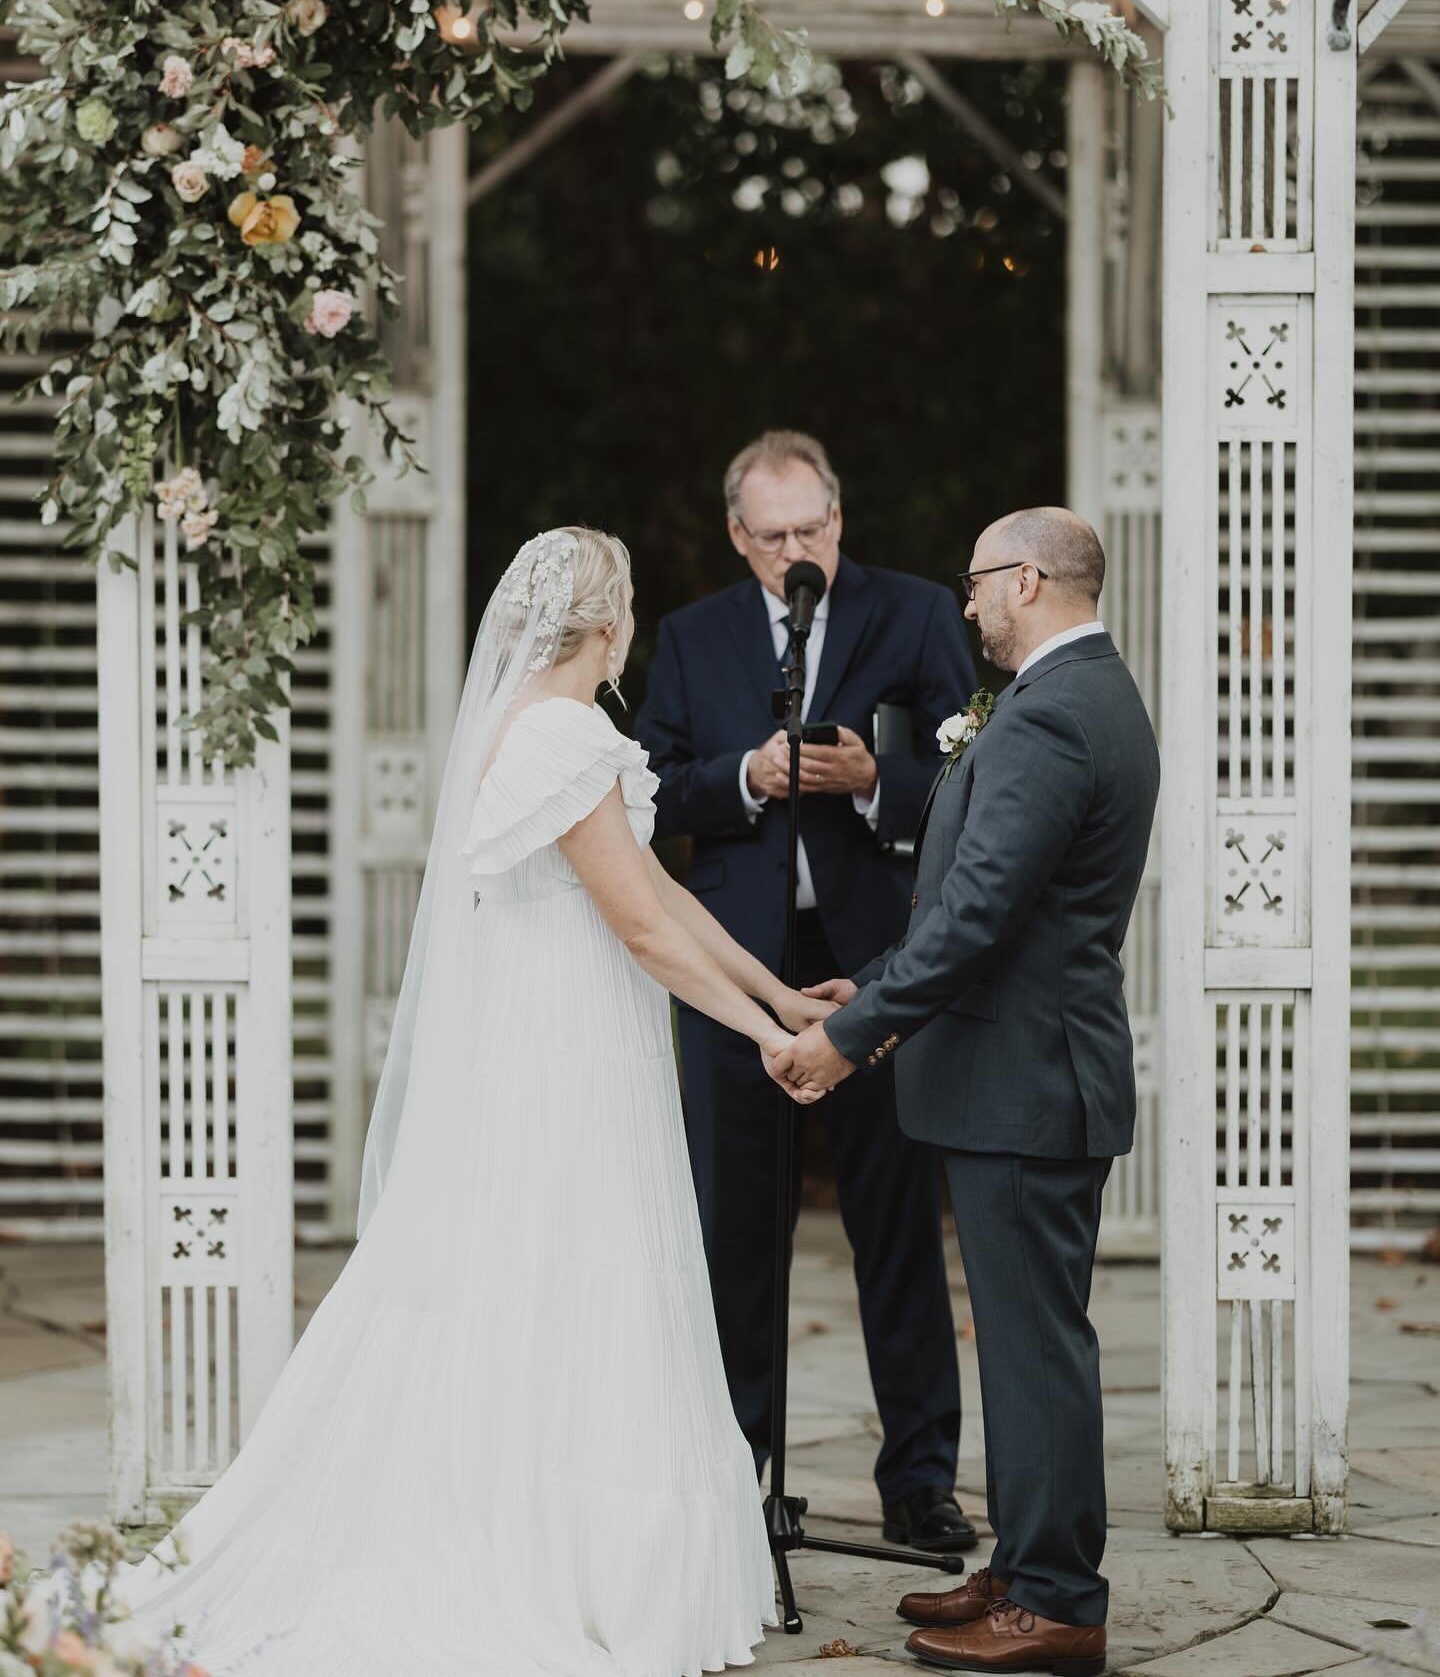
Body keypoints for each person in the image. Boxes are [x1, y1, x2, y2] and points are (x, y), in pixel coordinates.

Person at [118, 528, 837, 1676]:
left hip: (568, 1038)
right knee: (566, 1280)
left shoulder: (549, 731)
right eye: (631, 610)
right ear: (605, 628)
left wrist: (783, 996)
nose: (634, 630)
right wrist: (766, 1039)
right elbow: (642, 925)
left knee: (547, 1279)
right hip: (566, 1053)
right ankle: (550, 1554)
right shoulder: (561, 734)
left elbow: (659, 892)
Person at [778, 507, 1160, 1677]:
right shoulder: (1079, 697)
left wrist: (853, 1033)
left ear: (1030, 580)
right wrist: (879, 977)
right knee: (1026, 1340)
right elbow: (982, 910)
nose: (966, 602)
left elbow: (985, 917)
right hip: (1020, 1073)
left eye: (979, 581)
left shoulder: (1053, 716)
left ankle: (1058, 1603)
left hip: (1027, 1082)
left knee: (1039, 1346)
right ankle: (1030, 1562)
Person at [634, 430, 979, 1553]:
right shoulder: (691, 638)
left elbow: (971, 781)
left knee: (897, 1226)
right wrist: (746, 776)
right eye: (775, 535)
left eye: (814, 529)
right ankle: (741, 1468)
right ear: (740, 538)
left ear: (841, 517)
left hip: (878, 965)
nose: (800, 551)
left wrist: (878, 780)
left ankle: (920, 1476)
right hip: (734, 968)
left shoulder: (921, 613)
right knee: (737, 1229)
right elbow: (649, 789)